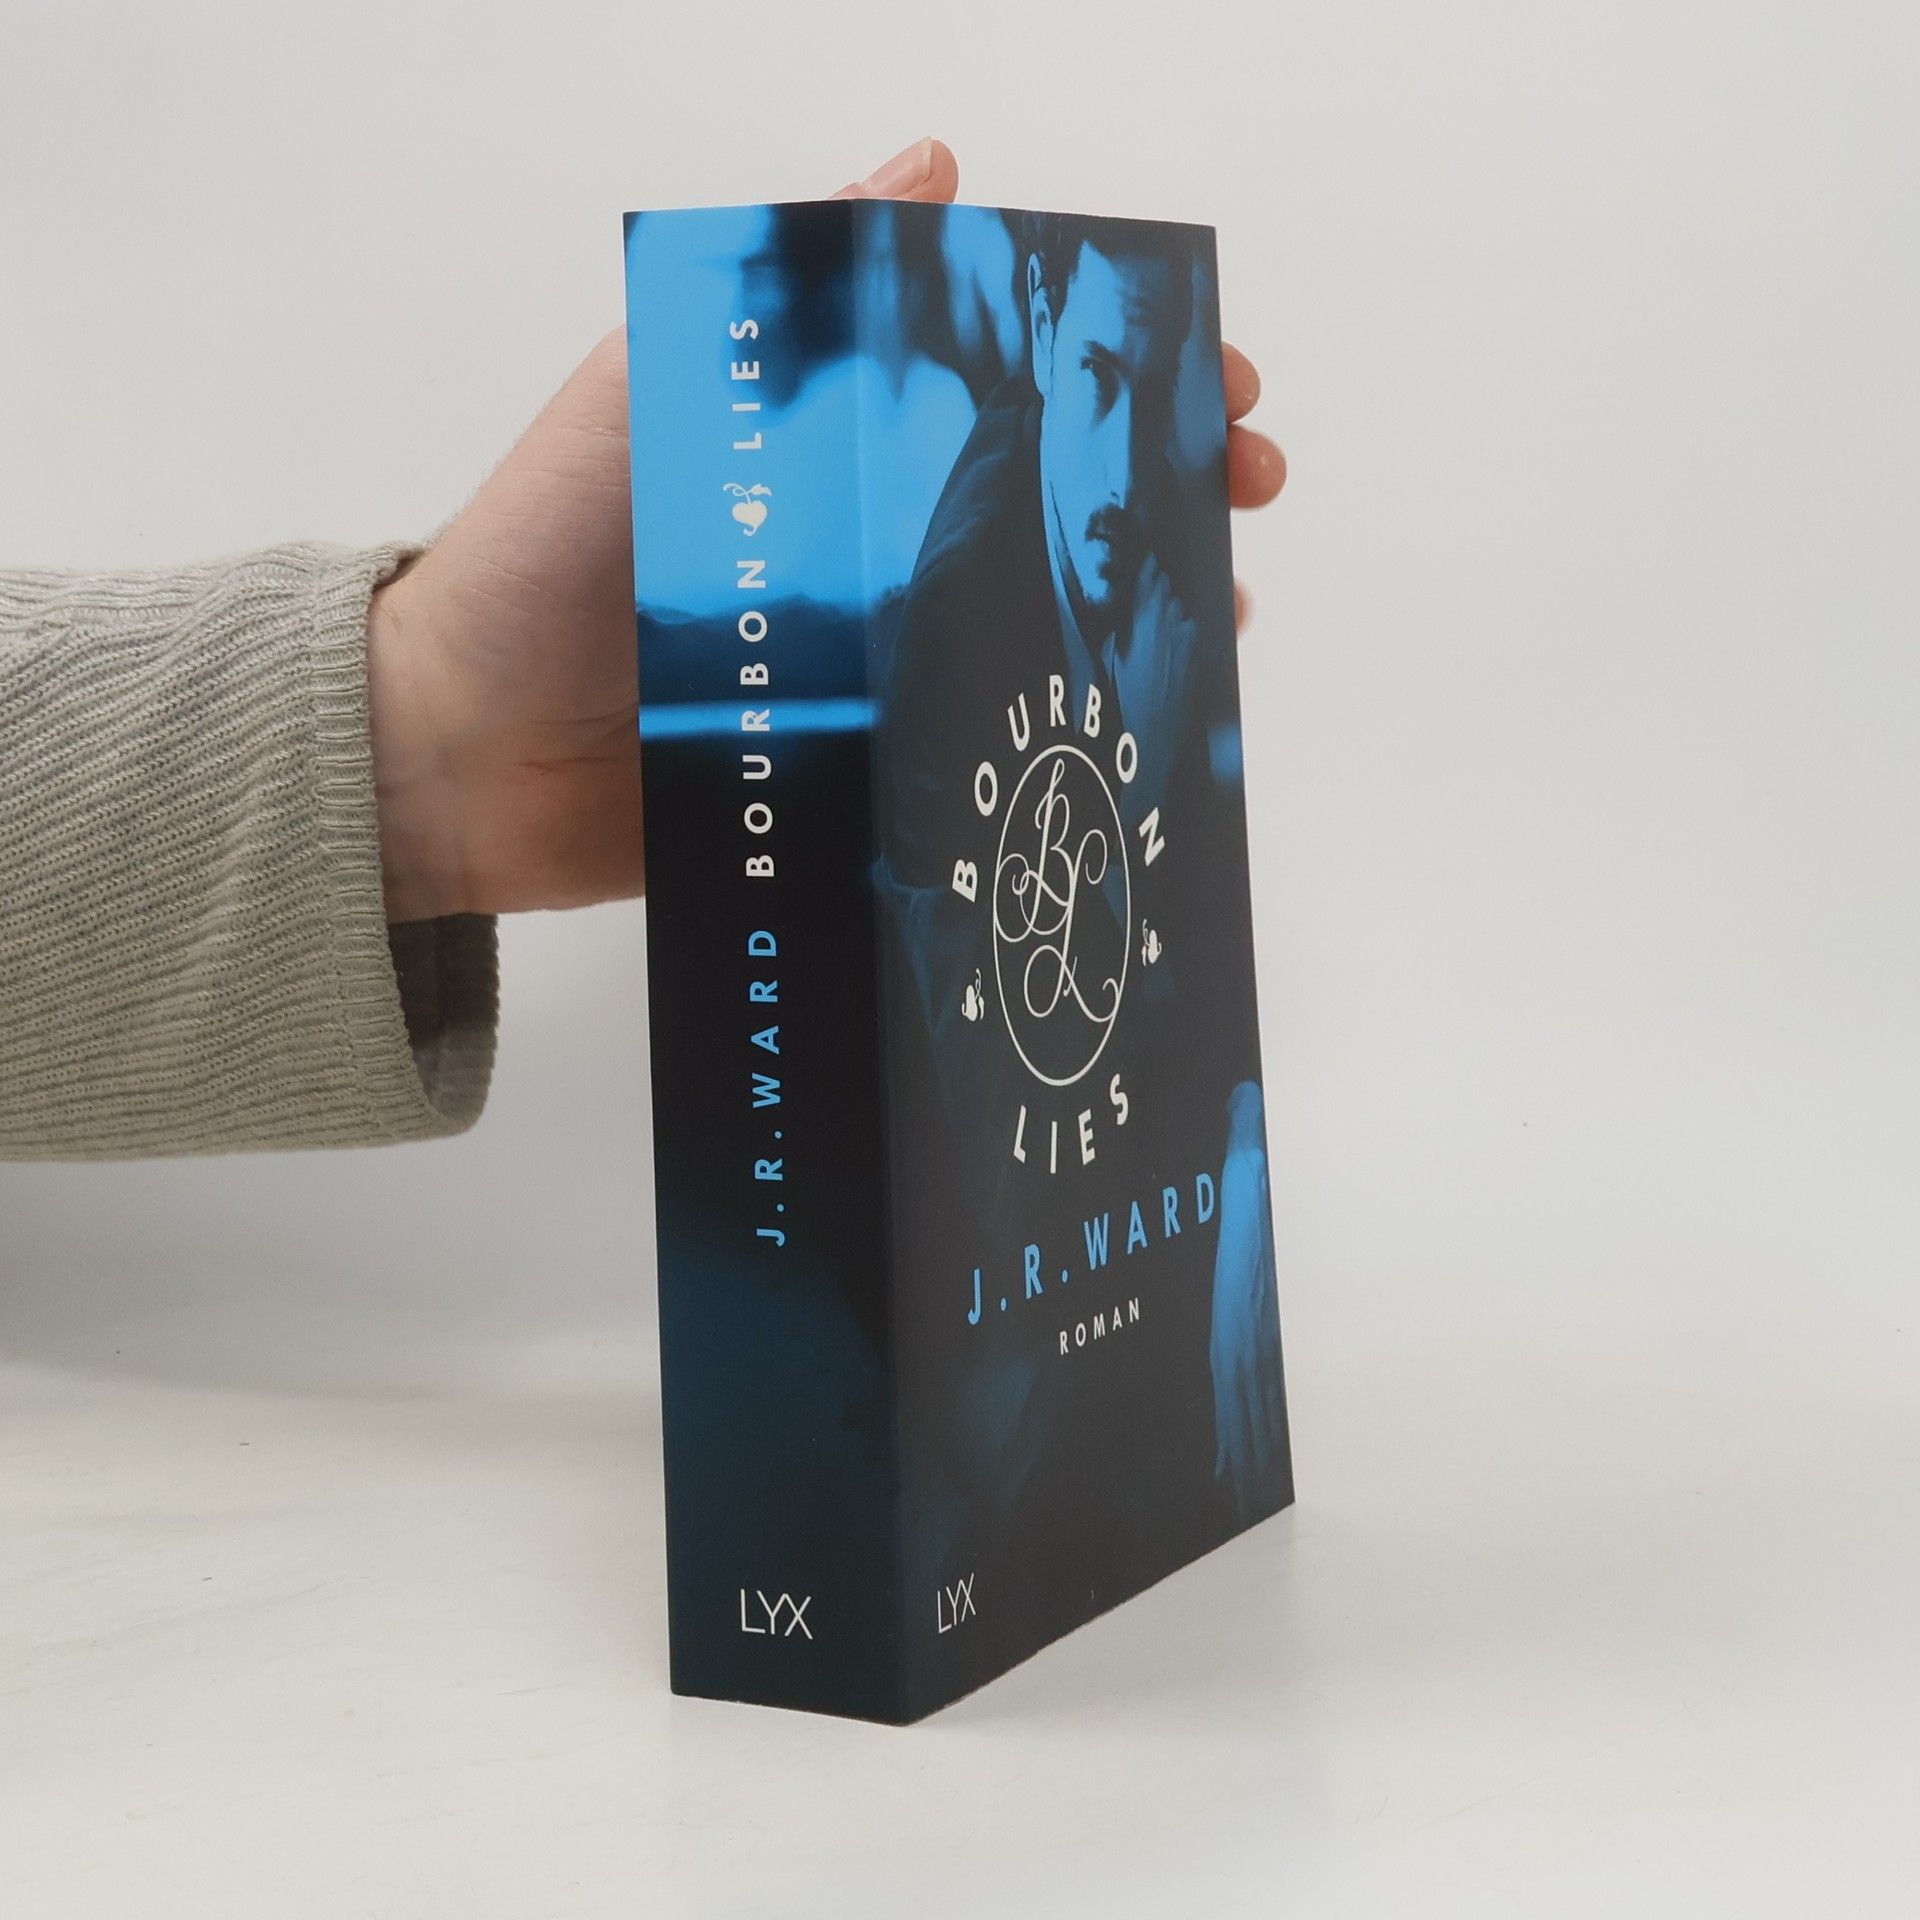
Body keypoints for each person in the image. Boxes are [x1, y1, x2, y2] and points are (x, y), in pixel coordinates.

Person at [0, 139, 1287, 1164]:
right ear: (1045, 325)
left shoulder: (1062, 528)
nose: (1126, 467)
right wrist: (423, 728)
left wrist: (427, 735)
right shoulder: (973, 564)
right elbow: (1002, 1105)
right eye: (1099, 377)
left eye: (1151, 388)